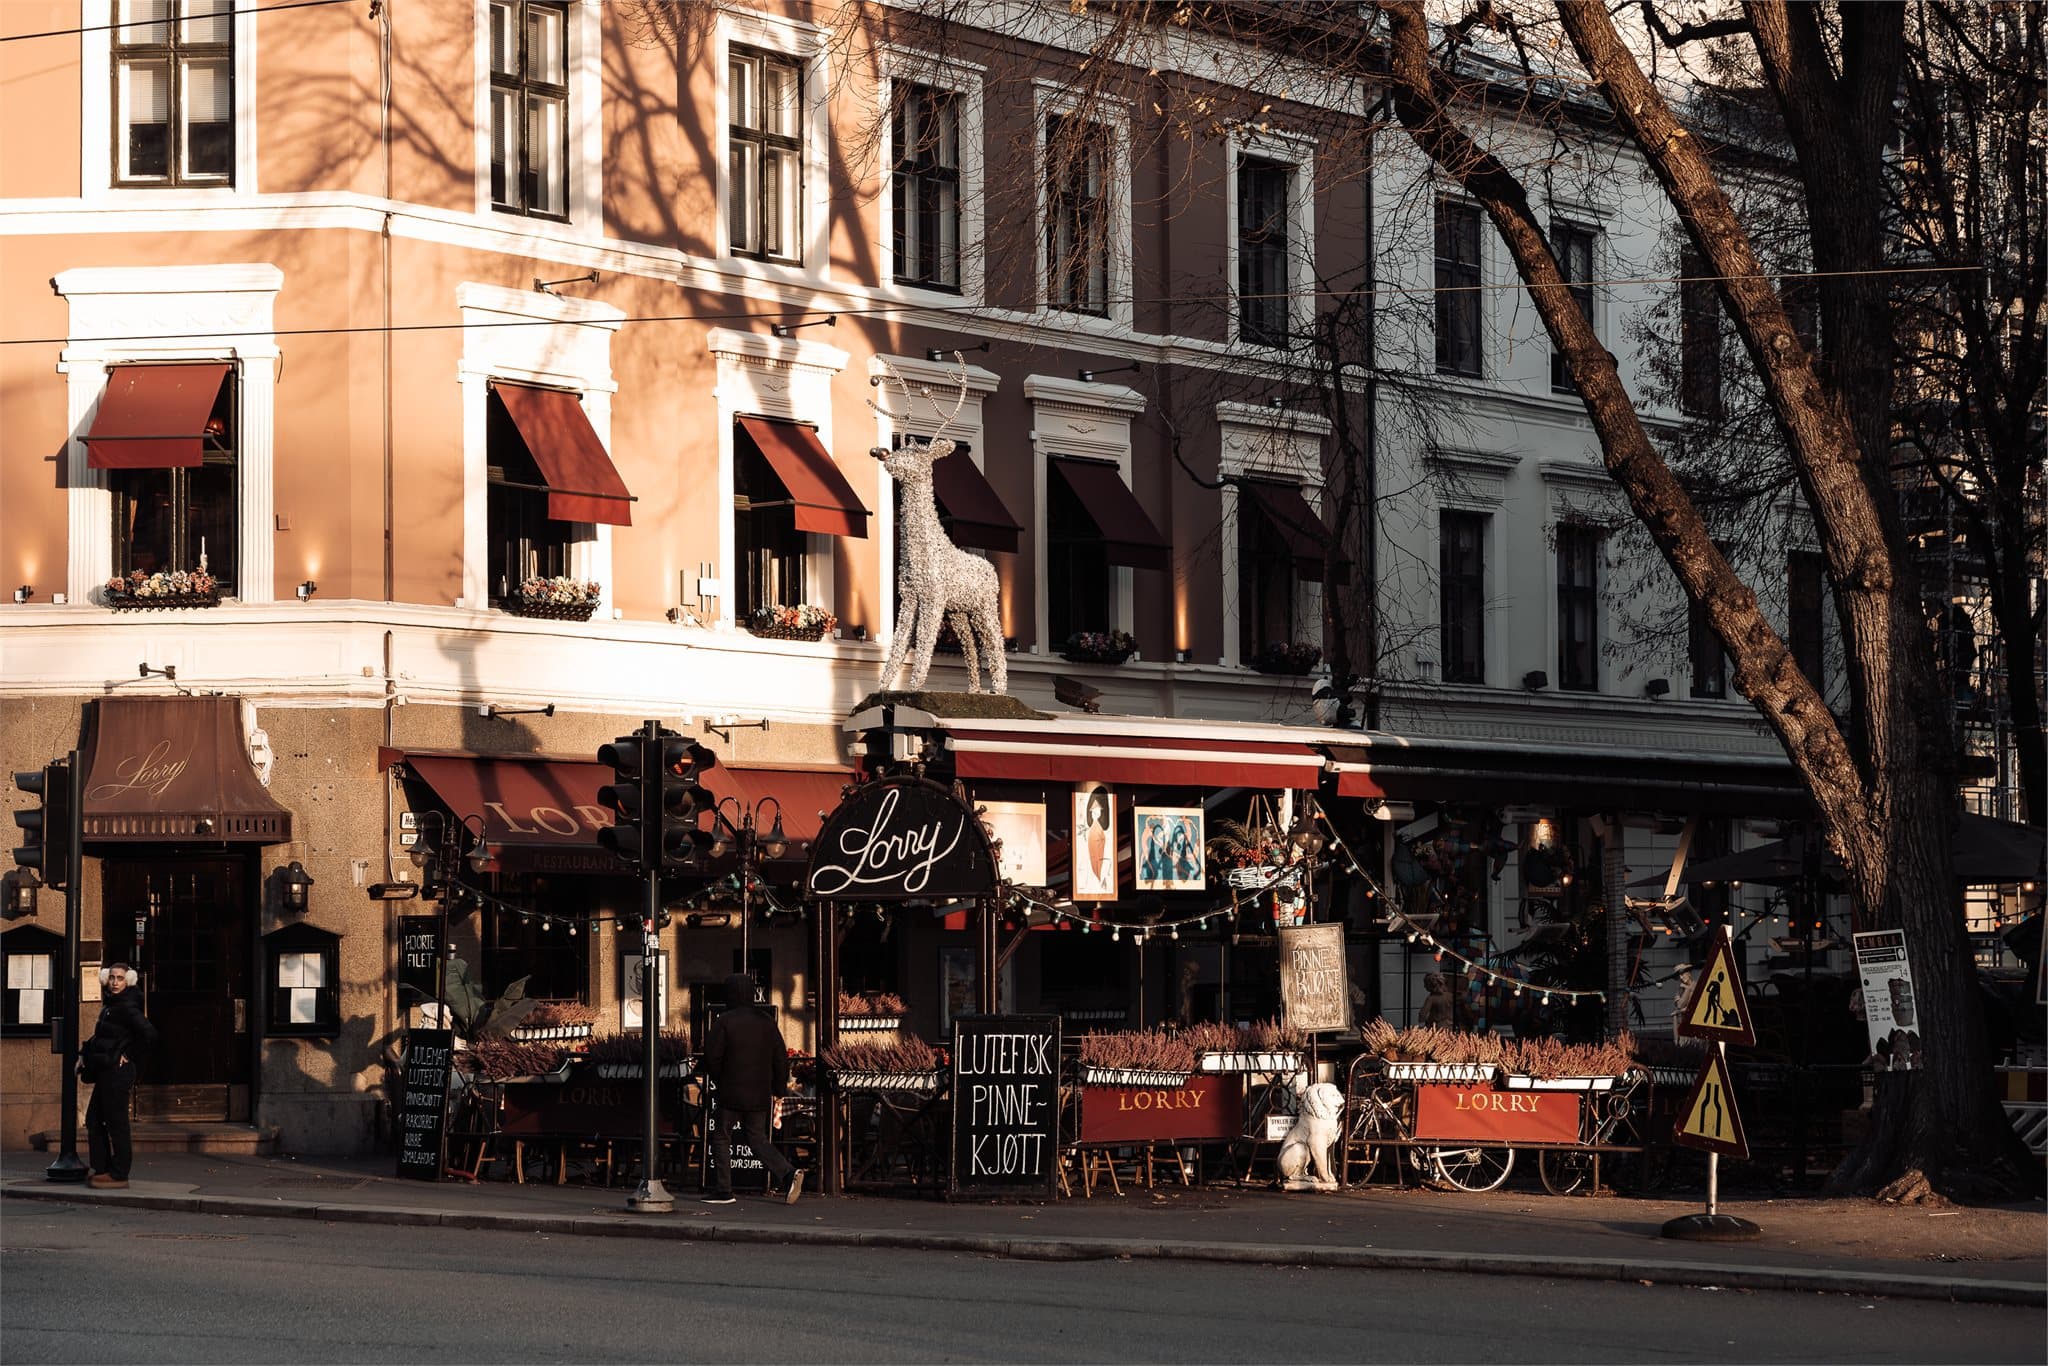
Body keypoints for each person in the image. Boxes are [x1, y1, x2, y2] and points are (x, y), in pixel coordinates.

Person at [699, 973, 802, 1205]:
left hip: (730, 1093)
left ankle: (724, 1190)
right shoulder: (766, 1021)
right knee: (757, 1138)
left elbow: (712, 1057)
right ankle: (787, 1172)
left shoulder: (724, 1021)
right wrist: (778, 1090)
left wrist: (720, 1079)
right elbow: (780, 1059)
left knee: (721, 1137)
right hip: (759, 1093)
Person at [80, 962, 156, 1190]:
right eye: (112, 977)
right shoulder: (110, 1006)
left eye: (120, 978)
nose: (114, 982)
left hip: (118, 1072)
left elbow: (150, 1034)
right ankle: (102, 1169)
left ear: (128, 981)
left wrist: (128, 1055)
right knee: (94, 1119)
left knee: (117, 1123)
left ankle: (119, 1173)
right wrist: (84, 1054)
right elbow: (100, 1038)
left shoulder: (127, 1007)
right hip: (106, 1071)